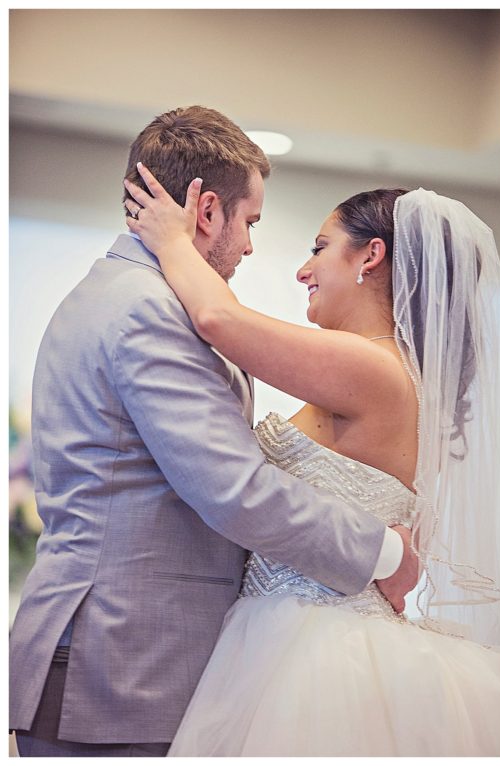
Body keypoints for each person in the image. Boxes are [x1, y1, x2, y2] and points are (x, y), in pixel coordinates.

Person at [9, 106, 420, 758]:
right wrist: (385, 554)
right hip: (118, 664)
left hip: (128, 659)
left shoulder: (121, 293)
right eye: (250, 221)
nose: (254, 245)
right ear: (205, 211)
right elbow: (232, 489)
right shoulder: (147, 309)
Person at [122, 164, 500, 755]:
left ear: (369, 256)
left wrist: (172, 240)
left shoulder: (371, 366)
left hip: (311, 648)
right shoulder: (395, 371)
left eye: (320, 248)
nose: (304, 270)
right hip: (307, 631)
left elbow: (218, 319)